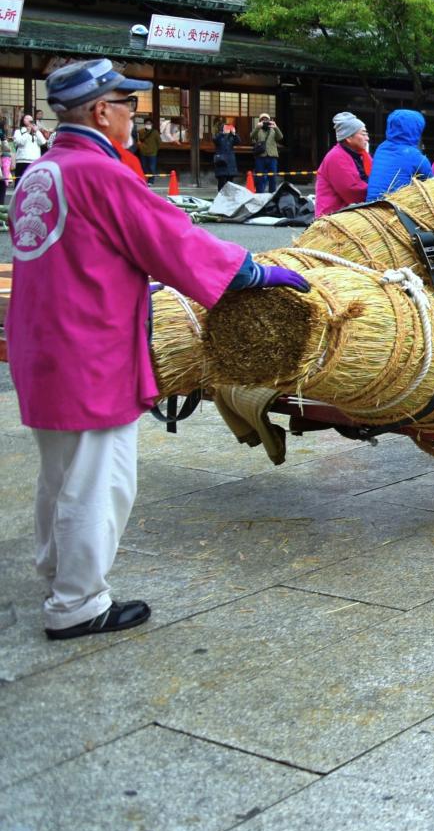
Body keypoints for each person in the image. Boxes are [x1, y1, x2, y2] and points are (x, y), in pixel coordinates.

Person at [7, 58, 309, 639]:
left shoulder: (41, 172)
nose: (133, 116)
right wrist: (252, 272)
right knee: (101, 478)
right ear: (101, 111)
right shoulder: (103, 174)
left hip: (41, 344)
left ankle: (57, 575)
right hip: (89, 349)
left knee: (60, 473)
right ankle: (78, 604)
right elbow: (175, 241)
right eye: (129, 106)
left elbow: (77, 255)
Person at [366, 108, 434, 197]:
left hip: (371, 204)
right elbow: (431, 183)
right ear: (415, 130)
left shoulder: (382, 148)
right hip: (394, 207)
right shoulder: (414, 155)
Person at [315, 111, 370, 217]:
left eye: (366, 134)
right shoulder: (336, 157)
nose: (367, 138)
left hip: (347, 214)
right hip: (333, 217)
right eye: (363, 134)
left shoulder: (358, 154)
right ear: (348, 138)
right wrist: (379, 192)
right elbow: (352, 192)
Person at [251, 113, 283, 193]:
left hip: (272, 156)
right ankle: (260, 194)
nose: (265, 121)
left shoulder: (273, 130)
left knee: (273, 177)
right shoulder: (258, 130)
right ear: (260, 121)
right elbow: (252, 136)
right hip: (260, 157)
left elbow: (280, 137)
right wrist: (257, 128)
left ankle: (272, 194)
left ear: (269, 120)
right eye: (262, 119)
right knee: (260, 177)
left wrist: (276, 127)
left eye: (266, 119)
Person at [13, 113, 48, 182]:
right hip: (22, 160)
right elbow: (19, 143)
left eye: (31, 118)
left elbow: (43, 142)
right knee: (20, 181)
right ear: (23, 120)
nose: (29, 120)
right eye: (27, 118)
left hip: (34, 160)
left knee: (33, 182)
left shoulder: (36, 132)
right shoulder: (18, 131)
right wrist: (27, 132)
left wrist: (37, 131)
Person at [210, 121, 240, 187]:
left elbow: (238, 141)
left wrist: (234, 133)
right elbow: (215, 140)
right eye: (226, 127)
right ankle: (221, 195)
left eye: (229, 127)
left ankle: (229, 196)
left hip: (230, 160)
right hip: (221, 160)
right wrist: (222, 133)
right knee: (221, 180)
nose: (228, 129)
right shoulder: (219, 136)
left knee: (230, 181)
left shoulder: (232, 137)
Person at [134, 116, 160, 184]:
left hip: (152, 153)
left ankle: (151, 181)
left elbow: (159, 142)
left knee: (152, 167)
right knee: (144, 167)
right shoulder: (140, 132)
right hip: (143, 152)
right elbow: (137, 140)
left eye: (149, 123)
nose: (148, 125)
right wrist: (139, 144)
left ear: (152, 124)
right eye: (147, 123)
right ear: (144, 124)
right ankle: (144, 179)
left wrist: (155, 149)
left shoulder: (155, 132)